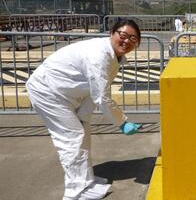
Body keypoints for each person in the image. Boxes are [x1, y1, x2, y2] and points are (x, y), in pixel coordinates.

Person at [26, 19, 143, 200]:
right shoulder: (99, 55)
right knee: (72, 139)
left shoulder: (114, 57)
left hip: (65, 94)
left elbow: (93, 90)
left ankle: (86, 181)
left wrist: (83, 116)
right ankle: (75, 192)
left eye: (133, 39)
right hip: (48, 92)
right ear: (112, 33)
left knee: (83, 133)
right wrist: (122, 122)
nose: (127, 41)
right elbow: (101, 96)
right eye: (123, 35)